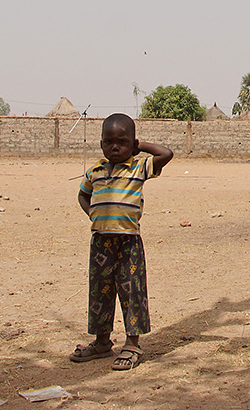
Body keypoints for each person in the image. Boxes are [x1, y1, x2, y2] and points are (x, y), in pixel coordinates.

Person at [70, 113, 173, 371]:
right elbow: (83, 196)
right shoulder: (95, 170)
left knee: (131, 291)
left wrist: (141, 147)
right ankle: (102, 342)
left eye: (123, 142)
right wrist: (94, 214)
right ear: (101, 144)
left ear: (132, 144)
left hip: (128, 242)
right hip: (101, 242)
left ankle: (133, 343)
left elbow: (166, 154)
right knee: (100, 292)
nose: (115, 147)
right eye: (109, 142)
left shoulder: (138, 168)